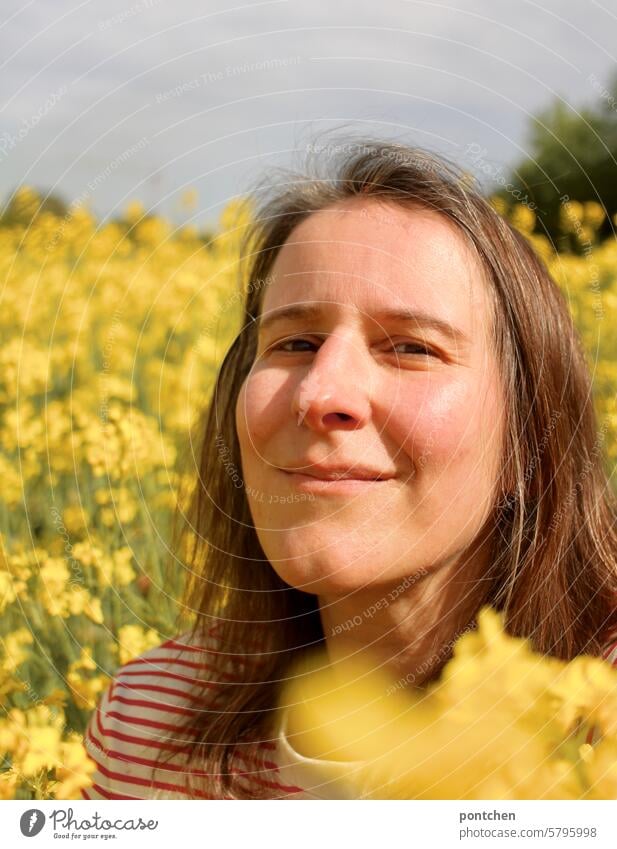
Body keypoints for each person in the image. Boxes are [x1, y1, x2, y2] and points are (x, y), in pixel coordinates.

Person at [82, 138, 617, 800]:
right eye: (294, 342)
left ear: (527, 443)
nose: (319, 393)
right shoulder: (147, 725)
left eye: (411, 348)